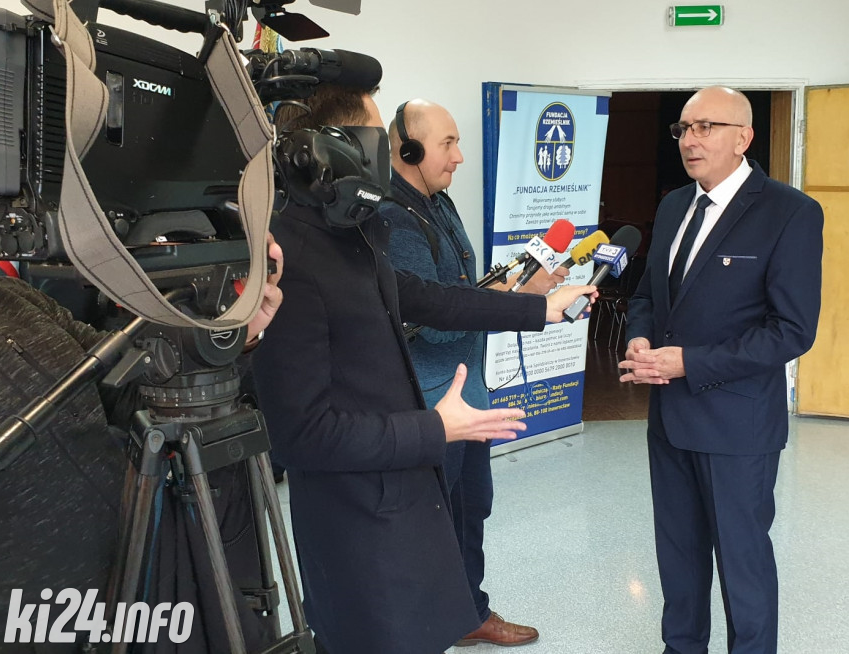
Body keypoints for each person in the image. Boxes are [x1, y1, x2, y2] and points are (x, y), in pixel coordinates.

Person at [253, 86, 596, 654]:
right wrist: (435, 428)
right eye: (375, 138)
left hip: (395, 486)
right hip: (355, 515)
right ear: (336, 149)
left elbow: (431, 298)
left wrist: (540, 309)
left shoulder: (353, 236)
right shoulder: (293, 256)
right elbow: (302, 435)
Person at [0, 237, 285, 652]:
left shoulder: (16, 298)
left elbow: (132, 395)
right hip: (33, 625)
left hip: (146, 579)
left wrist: (224, 337)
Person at [618, 86, 824, 654]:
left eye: (706, 127)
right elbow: (648, 295)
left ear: (743, 138)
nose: (690, 140)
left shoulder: (790, 212)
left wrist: (690, 362)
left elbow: (792, 330)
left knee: (742, 561)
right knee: (678, 556)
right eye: (683, 129)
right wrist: (640, 336)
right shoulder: (673, 206)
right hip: (669, 421)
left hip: (738, 427)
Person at [381, 99, 559, 648]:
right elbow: (434, 324)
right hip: (435, 403)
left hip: (470, 394)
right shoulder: (393, 218)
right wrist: (518, 306)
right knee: (436, 516)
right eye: (448, 144)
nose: (459, 156)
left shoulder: (438, 201)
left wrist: (518, 292)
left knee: (470, 506)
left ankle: (468, 613)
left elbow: (462, 292)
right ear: (409, 150)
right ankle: (428, 622)